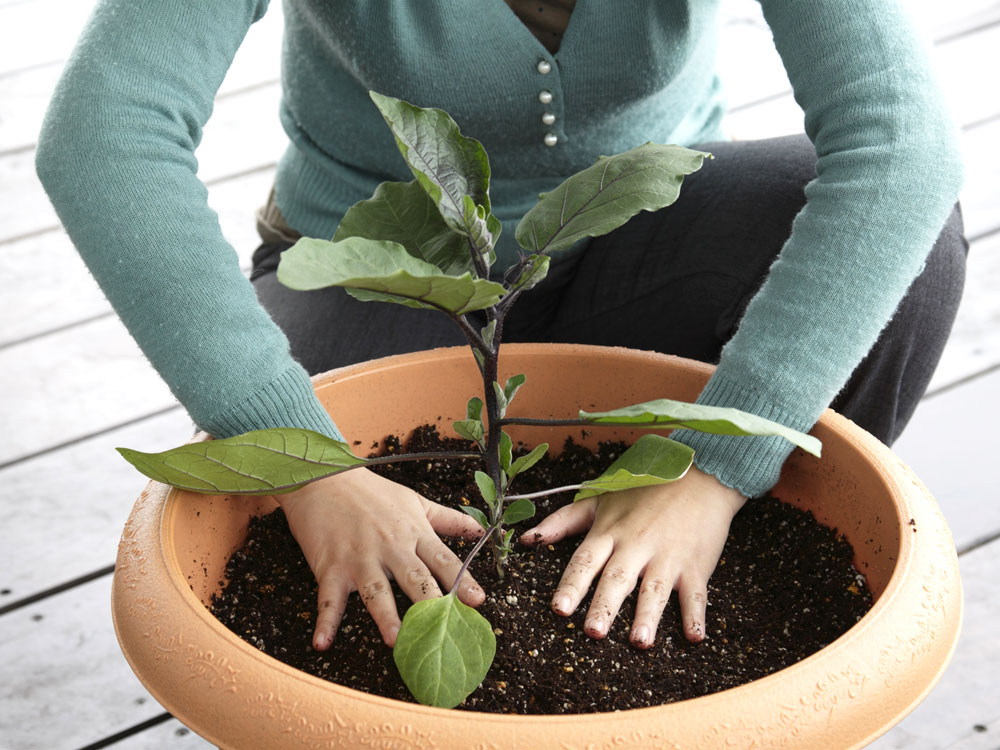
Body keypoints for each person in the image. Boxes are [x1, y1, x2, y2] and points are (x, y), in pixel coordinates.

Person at [37, 0, 966, 654]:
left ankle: (712, 545)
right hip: (375, 283)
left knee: (911, 260)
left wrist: (715, 468)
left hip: (640, 249)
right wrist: (303, 460)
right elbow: (103, 132)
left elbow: (902, 141)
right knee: (299, 557)